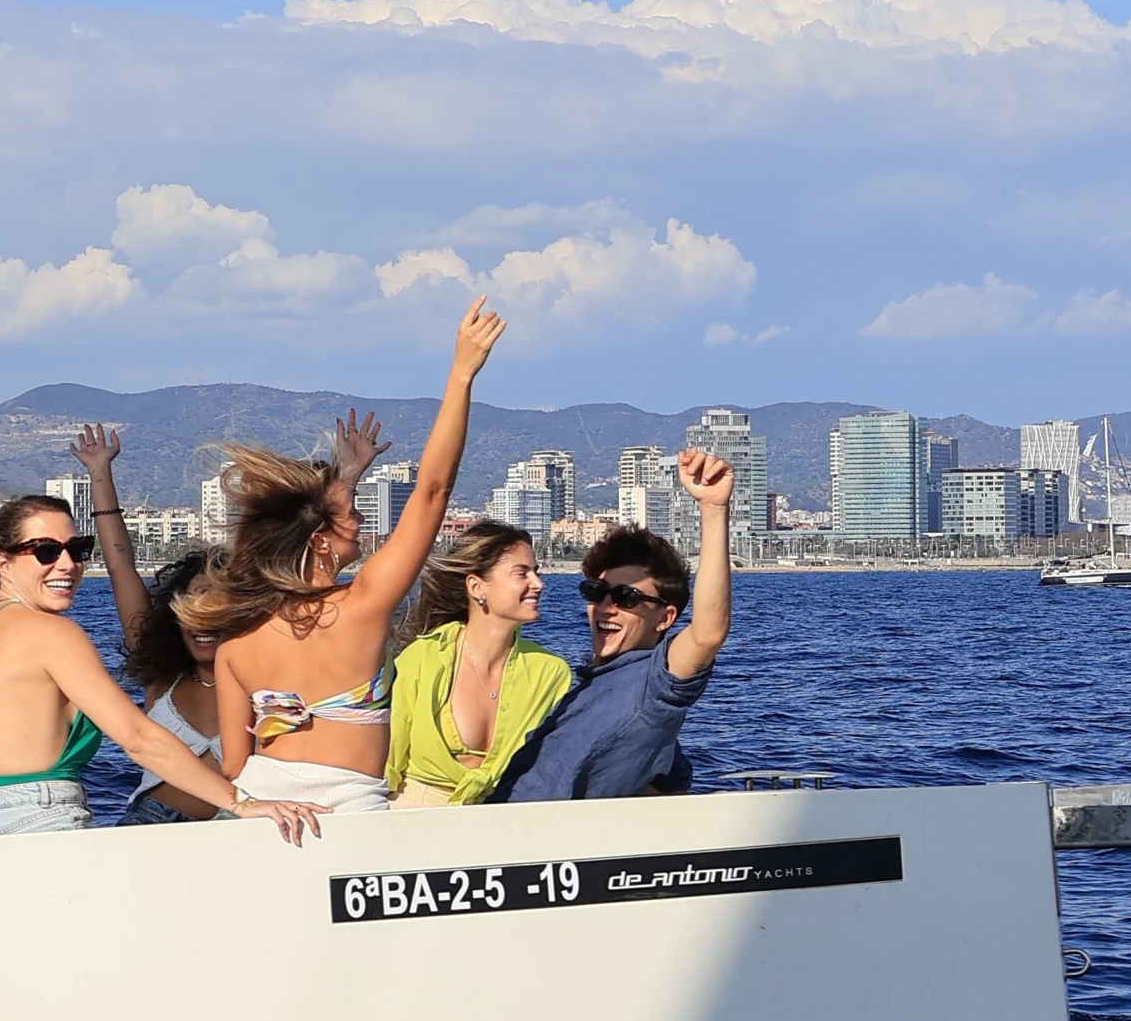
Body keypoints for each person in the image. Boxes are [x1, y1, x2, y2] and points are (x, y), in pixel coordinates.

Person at [176, 298, 507, 815]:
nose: (360, 519)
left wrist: (343, 476)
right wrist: (461, 373)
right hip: (349, 813)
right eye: (351, 512)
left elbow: (235, 766)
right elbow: (432, 491)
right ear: (318, 542)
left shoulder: (236, 645)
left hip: (263, 812)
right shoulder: (361, 607)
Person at [0, 491, 323, 844]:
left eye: (77, 549)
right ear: (3, 562)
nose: (68, 564)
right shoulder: (51, 633)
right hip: (42, 823)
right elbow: (137, 738)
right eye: (46, 551)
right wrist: (240, 803)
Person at [487, 449, 734, 804]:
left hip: (524, 835)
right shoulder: (591, 687)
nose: (605, 607)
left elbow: (707, 634)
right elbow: (672, 782)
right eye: (596, 592)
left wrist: (713, 510)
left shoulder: (654, 682)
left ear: (665, 618)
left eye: (626, 597)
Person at [73, 425, 226, 825]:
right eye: (194, 598)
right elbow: (120, 566)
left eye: (219, 602)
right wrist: (99, 472)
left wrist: (345, 480)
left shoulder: (265, 679)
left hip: (244, 829)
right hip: (151, 826)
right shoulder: (163, 676)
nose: (204, 614)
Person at [384, 521, 572, 807]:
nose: (538, 583)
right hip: (412, 811)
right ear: (476, 586)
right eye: (522, 573)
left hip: (501, 816)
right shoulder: (423, 658)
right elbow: (388, 759)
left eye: (536, 572)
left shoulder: (551, 673)